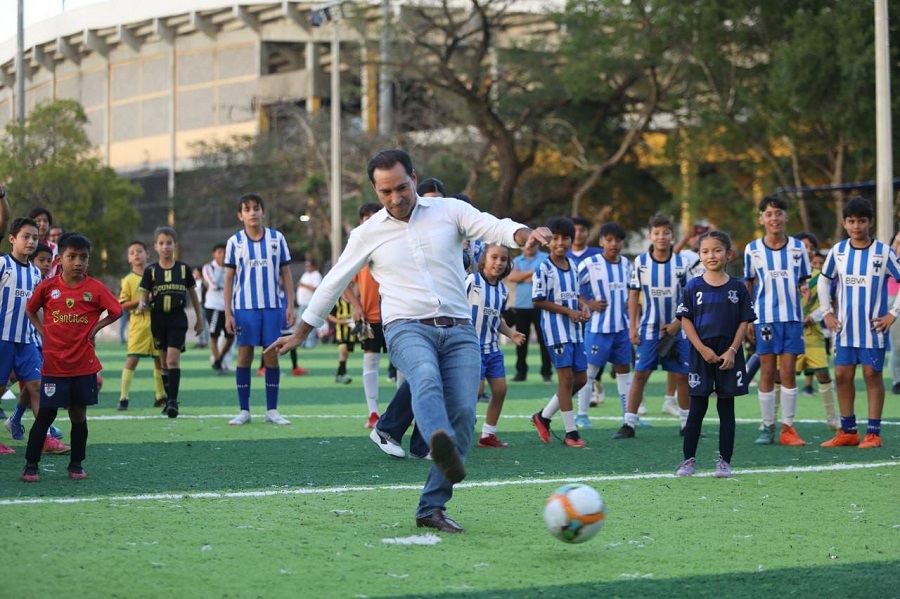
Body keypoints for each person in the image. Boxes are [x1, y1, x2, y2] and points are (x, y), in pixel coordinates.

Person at [267, 149, 549, 534]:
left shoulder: (449, 210)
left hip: (460, 329)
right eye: (385, 192)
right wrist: (301, 330)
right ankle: (438, 438)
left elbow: (495, 227)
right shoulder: (367, 233)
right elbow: (334, 280)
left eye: (402, 187)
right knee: (424, 376)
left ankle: (431, 507)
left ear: (414, 177)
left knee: (466, 413)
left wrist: (524, 234)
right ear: (375, 191)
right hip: (405, 326)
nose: (396, 198)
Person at [21, 232, 123, 481]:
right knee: (46, 414)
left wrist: (97, 327)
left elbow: (116, 310)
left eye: (83, 258)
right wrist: (43, 331)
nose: (78, 262)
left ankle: (76, 464)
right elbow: (31, 309)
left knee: (78, 415)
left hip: (83, 365)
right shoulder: (48, 287)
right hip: (55, 365)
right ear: (60, 258)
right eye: (72, 256)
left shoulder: (95, 288)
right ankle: (31, 465)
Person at [819, 197, 900, 449]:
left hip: (873, 328)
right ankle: (849, 431)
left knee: (871, 374)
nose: (856, 226)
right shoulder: (838, 251)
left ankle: (873, 433)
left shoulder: (884, 252)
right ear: (844, 223)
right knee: (842, 375)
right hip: (844, 328)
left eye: (861, 221)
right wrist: (827, 312)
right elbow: (823, 281)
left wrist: (893, 313)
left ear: (870, 222)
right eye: (851, 221)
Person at [675, 231, 755, 478]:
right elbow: (685, 319)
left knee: (726, 409)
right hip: (702, 353)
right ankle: (688, 460)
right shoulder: (693, 286)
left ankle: (724, 462)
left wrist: (732, 351)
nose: (712, 255)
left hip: (729, 355)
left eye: (717, 250)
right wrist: (702, 349)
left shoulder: (737, 287)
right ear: (699, 255)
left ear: (728, 254)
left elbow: (744, 321)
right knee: (696, 408)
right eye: (706, 251)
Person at [614, 213, 692, 439]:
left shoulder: (681, 264)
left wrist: (678, 323)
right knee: (640, 375)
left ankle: (687, 424)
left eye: (665, 233)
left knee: (682, 376)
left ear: (672, 235)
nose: (661, 237)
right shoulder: (640, 262)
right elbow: (634, 294)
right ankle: (629, 423)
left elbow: (688, 298)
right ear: (650, 235)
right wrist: (632, 327)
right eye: (656, 233)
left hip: (678, 330)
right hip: (649, 329)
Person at [744, 195, 811, 446]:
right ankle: (767, 425)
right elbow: (749, 285)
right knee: (768, 372)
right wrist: (748, 318)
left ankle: (788, 427)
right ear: (761, 218)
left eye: (778, 213)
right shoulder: (752, 249)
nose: (774, 218)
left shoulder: (797, 247)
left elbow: (802, 279)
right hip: (765, 319)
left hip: (792, 318)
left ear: (785, 217)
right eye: (769, 214)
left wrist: (804, 288)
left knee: (788, 373)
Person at [0, 219, 70, 455]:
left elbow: (37, 307)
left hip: (27, 341)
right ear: (12, 239)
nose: (31, 241)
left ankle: (45, 438)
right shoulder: (2, 265)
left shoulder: (35, 273)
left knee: (37, 387)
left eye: (34, 238)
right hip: (2, 340)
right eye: (25, 237)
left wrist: (49, 332)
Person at [224, 194, 295, 426]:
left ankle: (272, 410)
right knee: (245, 356)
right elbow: (228, 279)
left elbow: (286, 273)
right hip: (245, 308)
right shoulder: (235, 242)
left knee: (271, 356)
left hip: (274, 307)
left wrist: (290, 305)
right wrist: (228, 312)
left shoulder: (277, 239)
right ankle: (244, 410)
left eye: (256, 208)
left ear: (263, 212)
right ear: (240, 215)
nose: (252, 212)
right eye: (247, 209)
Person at [530, 217, 591, 448]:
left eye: (565, 238)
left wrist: (582, 306)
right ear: (547, 242)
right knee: (566, 380)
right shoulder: (544, 268)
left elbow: (573, 294)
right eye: (554, 238)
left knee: (581, 379)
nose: (560, 242)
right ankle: (571, 433)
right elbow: (538, 300)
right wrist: (568, 311)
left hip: (574, 331)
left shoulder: (573, 266)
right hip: (556, 332)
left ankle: (543, 416)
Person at [138, 227, 204, 418]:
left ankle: (173, 401)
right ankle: (168, 400)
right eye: (161, 243)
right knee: (163, 363)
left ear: (175, 245)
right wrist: (142, 305)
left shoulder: (183, 270)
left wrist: (199, 320)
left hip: (177, 319)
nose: (165, 247)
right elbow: (143, 296)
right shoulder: (151, 272)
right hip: (158, 319)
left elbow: (193, 295)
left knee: (172, 360)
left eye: (169, 243)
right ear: (155, 247)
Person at [468, 244, 526, 447]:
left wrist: (511, 333)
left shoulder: (502, 290)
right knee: (475, 392)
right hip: (470, 349)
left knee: (500, 390)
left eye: (503, 259)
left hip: (492, 349)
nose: (499, 262)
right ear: (483, 259)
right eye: (494, 257)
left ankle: (488, 435)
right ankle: (459, 429)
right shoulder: (471, 281)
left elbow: (497, 319)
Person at [575, 222, 632, 429]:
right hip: (598, 328)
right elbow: (572, 289)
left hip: (622, 328)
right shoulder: (589, 264)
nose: (613, 244)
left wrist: (630, 302)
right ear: (601, 242)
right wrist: (588, 304)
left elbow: (633, 292)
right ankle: (581, 415)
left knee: (624, 370)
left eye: (618, 240)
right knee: (589, 372)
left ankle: (629, 416)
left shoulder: (627, 265)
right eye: (609, 240)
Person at [343, 202, 388, 428]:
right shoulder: (357, 250)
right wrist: (356, 305)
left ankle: (404, 411)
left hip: (397, 317)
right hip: (370, 319)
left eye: (374, 215)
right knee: (371, 361)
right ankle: (373, 413)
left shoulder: (393, 244)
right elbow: (342, 283)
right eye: (365, 216)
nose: (370, 219)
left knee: (402, 365)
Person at [793, 232, 837, 430]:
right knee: (779, 375)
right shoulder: (787, 273)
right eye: (803, 246)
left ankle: (832, 418)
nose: (807, 251)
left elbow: (827, 303)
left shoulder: (821, 276)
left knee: (823, 374)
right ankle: (774, 422)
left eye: (811, 247)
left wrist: (813, 317)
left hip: (814, 334)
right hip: (790, 333)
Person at [116, 240, 167, 411]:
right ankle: (123, 398)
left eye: (139, 251)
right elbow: (122, 304)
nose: (136, 254)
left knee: (159, 360)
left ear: (148, 254)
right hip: (139, 324)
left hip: (158, 322)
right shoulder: (128, 280)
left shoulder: (157, 274)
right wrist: (143, 300)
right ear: (129, 258)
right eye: (132, 252)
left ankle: (160, 396)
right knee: (132, 359)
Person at [507, 240, 552, 383]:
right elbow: (512, 277)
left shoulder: (545, 258)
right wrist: (533, 272)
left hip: (540, 305)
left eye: (532, 245)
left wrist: (523, 276)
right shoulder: (517, 260)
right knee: (520, 341)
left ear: (537, 245)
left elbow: (545, 277)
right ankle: (521, 373)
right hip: (521, 306)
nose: (528, 248)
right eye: (525, 245)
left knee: (543, 341)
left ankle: (546, 373)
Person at [202, 243, 235, 373]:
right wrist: (224, 270)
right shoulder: (208, 267)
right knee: (214, 335)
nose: (222, 255)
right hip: (213, 306)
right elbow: (214, 283)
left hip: (228, 306)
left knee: (231, 335)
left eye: (224, 252)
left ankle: (218, 360)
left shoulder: (232, 267)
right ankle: (217, 360)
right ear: (214, 254)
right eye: (219, 252)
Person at [295, 260, 323, 352]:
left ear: (313, 266)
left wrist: (303, 285)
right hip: (302, 303)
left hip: (310, 304)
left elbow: (316, 288)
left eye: (309, 266)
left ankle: (310, 343)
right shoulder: (306, 274)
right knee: (300, 323)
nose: (307, 268)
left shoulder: (316, 275)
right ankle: (301, 342)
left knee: (309, 323)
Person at [327, 297, 356, 384]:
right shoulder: (337, 301)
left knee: (346, 354)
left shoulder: (355, 301)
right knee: (343, 351)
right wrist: (341, 321)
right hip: (340, 332)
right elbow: (330, 316)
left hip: (351, 333)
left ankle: (339, 375)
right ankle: (342, 375)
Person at [889, 230, 900, 394]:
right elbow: (892, 251)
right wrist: (897, 239)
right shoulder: (891, 259)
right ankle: (898, 381)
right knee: (898, 344)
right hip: (894, 299)